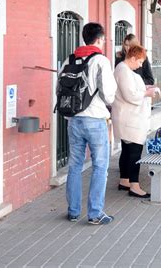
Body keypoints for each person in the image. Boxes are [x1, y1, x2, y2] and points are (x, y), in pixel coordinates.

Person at [59, 22, 117, 225]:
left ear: (84, 38)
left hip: (73, 120)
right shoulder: (100, 60)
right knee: (100, 166)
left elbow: (60, 90)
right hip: (95, 120)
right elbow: (109, 95)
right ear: (100, 39)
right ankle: (95, 214)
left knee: (74, 166)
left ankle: (73, 211)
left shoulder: (70, 58)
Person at [112, 44, 160, 198]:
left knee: (127, 150)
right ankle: (134, 186)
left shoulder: (123, 70)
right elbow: (130, 95)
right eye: (139, 62)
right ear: (132, 58)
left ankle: (125, 180)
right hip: (130, 119)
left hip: (128, 117)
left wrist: (144, 88)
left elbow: (132, 90)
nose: (140, 65)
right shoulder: (123, 70)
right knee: (134, 152)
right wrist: (148, 92)